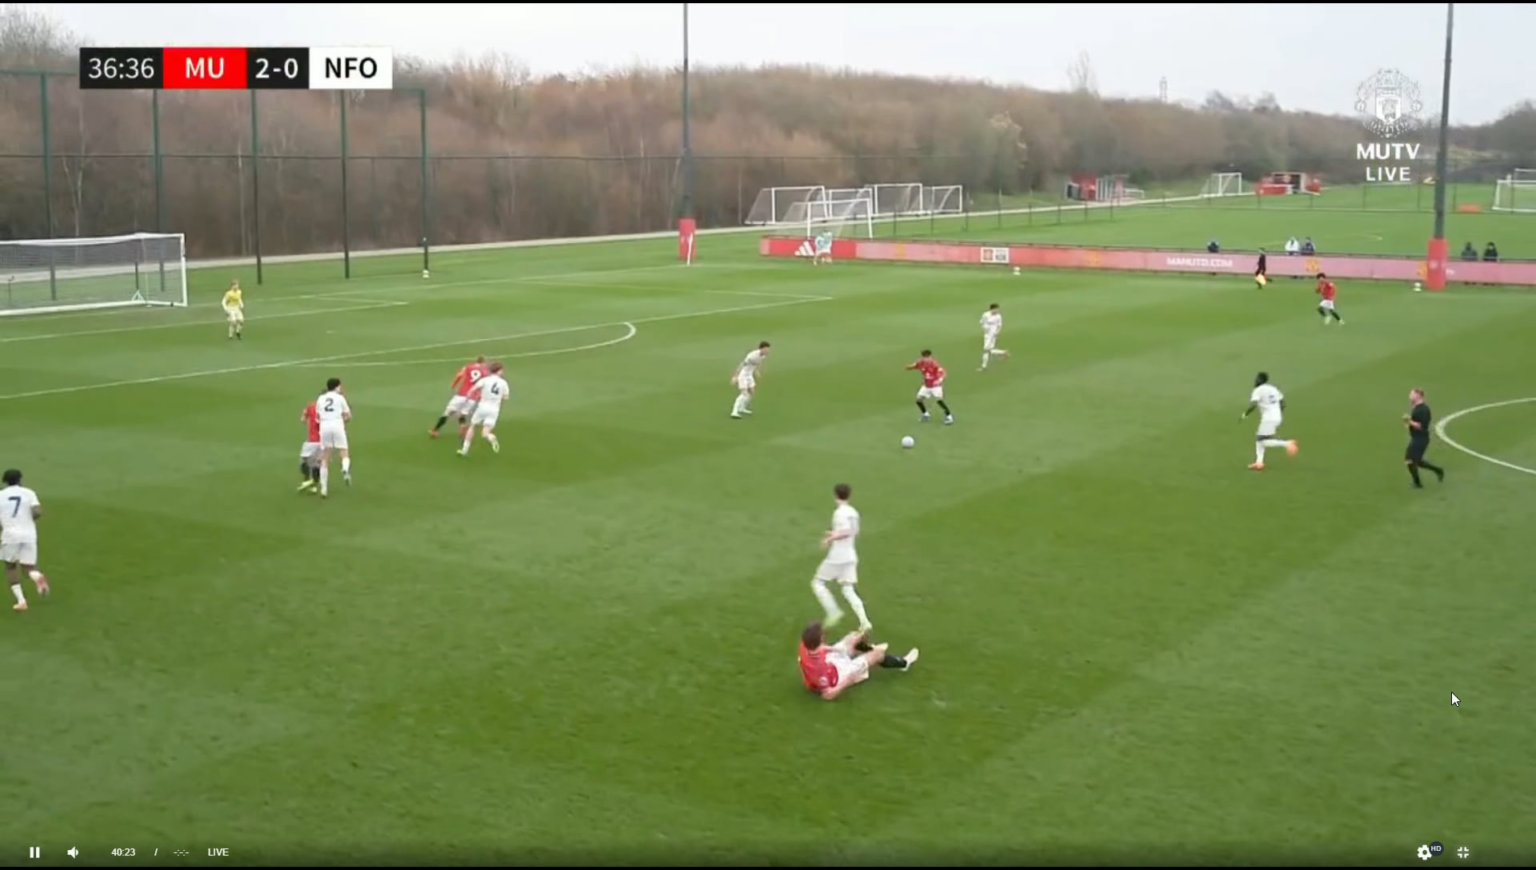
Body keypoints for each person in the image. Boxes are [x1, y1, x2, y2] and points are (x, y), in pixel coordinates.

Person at [798, 621, 918, 701]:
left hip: (830, 663)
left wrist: (836, 649)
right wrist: (850, 680)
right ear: (821, 639)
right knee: (878, 655)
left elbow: (818, 649)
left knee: (854, 637)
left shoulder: (805, 645)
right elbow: (828, 694)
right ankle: (904, 663)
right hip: (838, 676)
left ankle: (866, 649)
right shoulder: (819, 669)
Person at [810, 483, 872, 632]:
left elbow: (846, 531)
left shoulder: (840, 513)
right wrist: (833, 534)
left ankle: (833, 611)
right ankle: (864, 621)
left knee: (818, 582)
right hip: (851, 554)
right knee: (847, 589)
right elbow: (854, 530)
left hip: (838, 555)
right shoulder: (853, 512)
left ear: (835, 495)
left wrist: (831, 538)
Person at [0, 468, 48, 612]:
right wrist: (27, 521)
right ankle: (38, 577)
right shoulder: (29, 493)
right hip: (29, 534)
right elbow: (37, 511)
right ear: (20, 479)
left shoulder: (1, 495)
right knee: (28, 568)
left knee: (10, 566)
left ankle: (21, 601)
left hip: (10, 535)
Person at [1242, 372, 1298, 471]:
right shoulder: (1273, 388)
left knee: (1262, 440)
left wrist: (1245, 414)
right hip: (1276, 417)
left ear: (1260, 380)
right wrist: (1277, 412)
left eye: (1257, 379)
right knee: (1259, 439)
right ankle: (1259, 463)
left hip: (1268, 419)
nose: (1255, 380)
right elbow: (1283, 403)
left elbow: (1254, 404)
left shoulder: (1258, 390)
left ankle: (1287, 443)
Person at [459, 362, 510, 456]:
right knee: (485, 433)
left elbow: (472, 390)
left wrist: (466, 400)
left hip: (482, 406)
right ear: (498, 371)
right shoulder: (503, 383)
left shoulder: (485, 380)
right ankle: (490, 437)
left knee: (473, 426)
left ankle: (464, 450)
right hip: (494, 409)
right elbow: (505, 397)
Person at [431, 356, 488, 440]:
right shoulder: (485, 371)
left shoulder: (468, 367)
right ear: (483, 363)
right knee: (462, 414)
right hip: (473, 397)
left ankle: (435, 431)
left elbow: (459, 375)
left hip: (462, 394)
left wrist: (453, 384)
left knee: (448, 412)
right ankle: (462, 425)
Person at [314, 377, 352, 498]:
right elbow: (348, 415)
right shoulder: (340, 398)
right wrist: (343, 421)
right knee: (344, 452)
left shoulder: (320, 398)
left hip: (324, 427)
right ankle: (345, 469)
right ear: (336, 387)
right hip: (337, 425)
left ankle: (324, 489)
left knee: (325, 457)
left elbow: (317, 417)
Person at [1403, 388, 1446, 489]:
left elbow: (1421, 426)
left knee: (1409, 460)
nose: (1409, 396)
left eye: (1411, 394)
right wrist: (1408, 423)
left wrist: (1409, 421)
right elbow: (1413, 425)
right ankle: (1438, 470)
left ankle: (1417, 483)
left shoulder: (1423, 410)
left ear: (1418, 395)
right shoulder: (1417, 408)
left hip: (1421, 439)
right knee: (1415, 461)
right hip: (1417, 438)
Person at [907, 350, 953, 424]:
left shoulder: (934, 364)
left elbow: (943, 373)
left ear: (930, 356)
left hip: (935, 386)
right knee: (918, 400)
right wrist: (909, 367)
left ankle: (949, 416)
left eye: (928, 357)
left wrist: (939, 380)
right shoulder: (921, 362)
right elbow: (915, 365)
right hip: (926, 386)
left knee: (939, 400)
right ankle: (925, 414)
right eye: (925, 357)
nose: (926, 359)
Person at [730, 341, 770, 419]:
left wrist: (757, 371)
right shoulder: (752, 356)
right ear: (762, 348)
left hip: (749, 375)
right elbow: (742, 365)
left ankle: (742, 408)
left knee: (751, 392)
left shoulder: (763, 355)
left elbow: (758, 363)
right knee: (744, 393)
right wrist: (735, 376)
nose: (768, 351)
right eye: (766, 349)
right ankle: (734, 412)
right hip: (743, 375)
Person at [297, 399, 323, 493]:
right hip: (324, 441)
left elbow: (302, 419)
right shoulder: (332, 410)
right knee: (317, 464)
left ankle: (307, 480)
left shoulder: (311, 406)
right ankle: (314, 486)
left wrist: (306, 417)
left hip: (312, 441)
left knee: (303, 461)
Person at [978, 304, 1009, 371]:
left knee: (986, 350)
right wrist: (984, 329)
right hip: (987, 334)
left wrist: (997, 332)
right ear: (991, 309)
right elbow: (981, 322)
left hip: (993, 334)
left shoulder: (998, 316)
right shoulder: (985, 315)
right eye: (996, 309)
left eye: (998, 309)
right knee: (989, 350)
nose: (997, 310)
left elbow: (999, 325)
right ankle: (1003, 353)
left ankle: (984, 367)